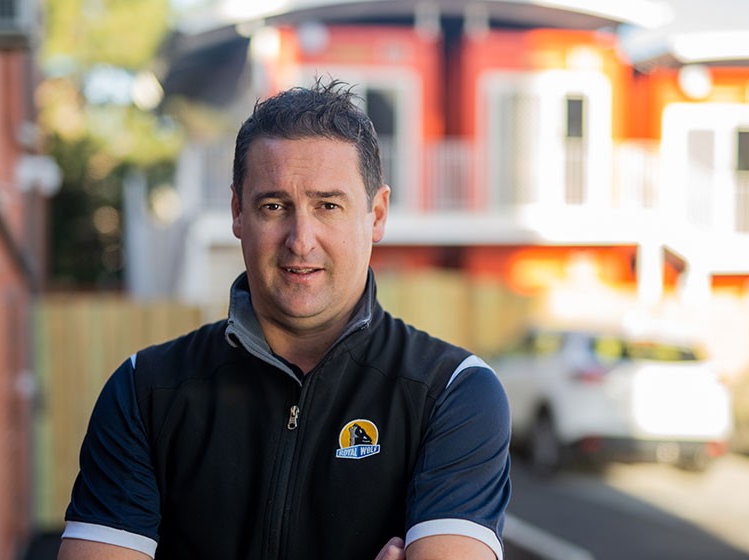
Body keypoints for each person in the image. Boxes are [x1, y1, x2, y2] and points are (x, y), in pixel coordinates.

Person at [57, 78, 511, 560]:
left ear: (376, 214)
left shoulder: (453, 393)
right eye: (274, 206)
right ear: (237, 212)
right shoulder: (144, 392)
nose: (300, 239)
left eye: (328, 206)